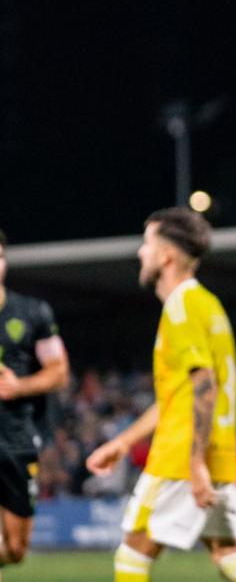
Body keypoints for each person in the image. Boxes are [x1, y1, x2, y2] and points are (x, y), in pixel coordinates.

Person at [86, 209, 236, 582]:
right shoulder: (208, 304)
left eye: (147, 244)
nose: (140, 253)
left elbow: (204, 384)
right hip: (219, 452)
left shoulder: (181, 306)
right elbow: (182, 394)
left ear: (166, 256)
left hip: (181, 455)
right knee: (231, 555)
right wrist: (124, 442)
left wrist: (194, 463)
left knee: (132, 555)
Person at [0, 227, 70, 579]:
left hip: (17, 440)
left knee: (15, 550)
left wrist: (18, 385)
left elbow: (59, 372)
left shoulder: (31, 313)